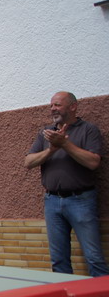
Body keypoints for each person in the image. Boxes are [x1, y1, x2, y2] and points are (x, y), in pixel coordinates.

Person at [25, 91, 108, 277]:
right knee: (58, 259)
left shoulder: (88, 130)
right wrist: (51, 150)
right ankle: (66, 294)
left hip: (81, 200)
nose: (53, 109)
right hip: (52, 201)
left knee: (94, 257)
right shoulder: (46, 133)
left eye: (57, 105)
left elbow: (93, 162)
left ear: (73, 107)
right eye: (51, 105)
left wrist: (64, 144)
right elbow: (28, 162)